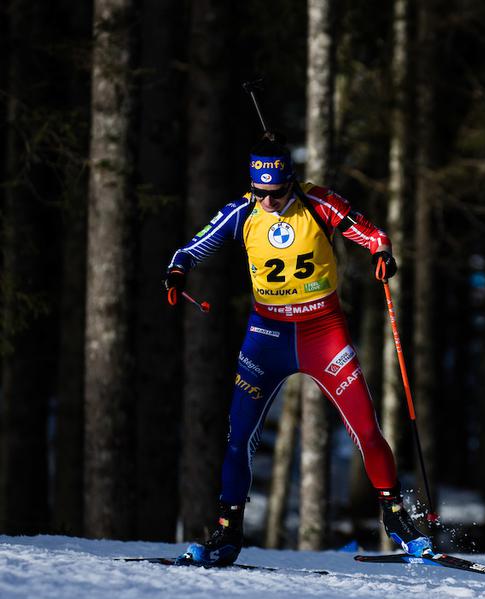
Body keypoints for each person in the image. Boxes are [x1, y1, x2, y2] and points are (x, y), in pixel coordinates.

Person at [164, 132, 431, 567]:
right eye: (260, 192)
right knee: (239, 439)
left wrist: (382, 254)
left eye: (276, 192)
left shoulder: (318, 202)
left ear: (291, 181)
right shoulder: (242, 212)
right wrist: (176, 272)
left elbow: (373, 235)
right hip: (266, 336)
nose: (268, 201)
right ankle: (227, 533)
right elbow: (191, 249)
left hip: (323, 332)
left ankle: (399, 521)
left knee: (365, 428)